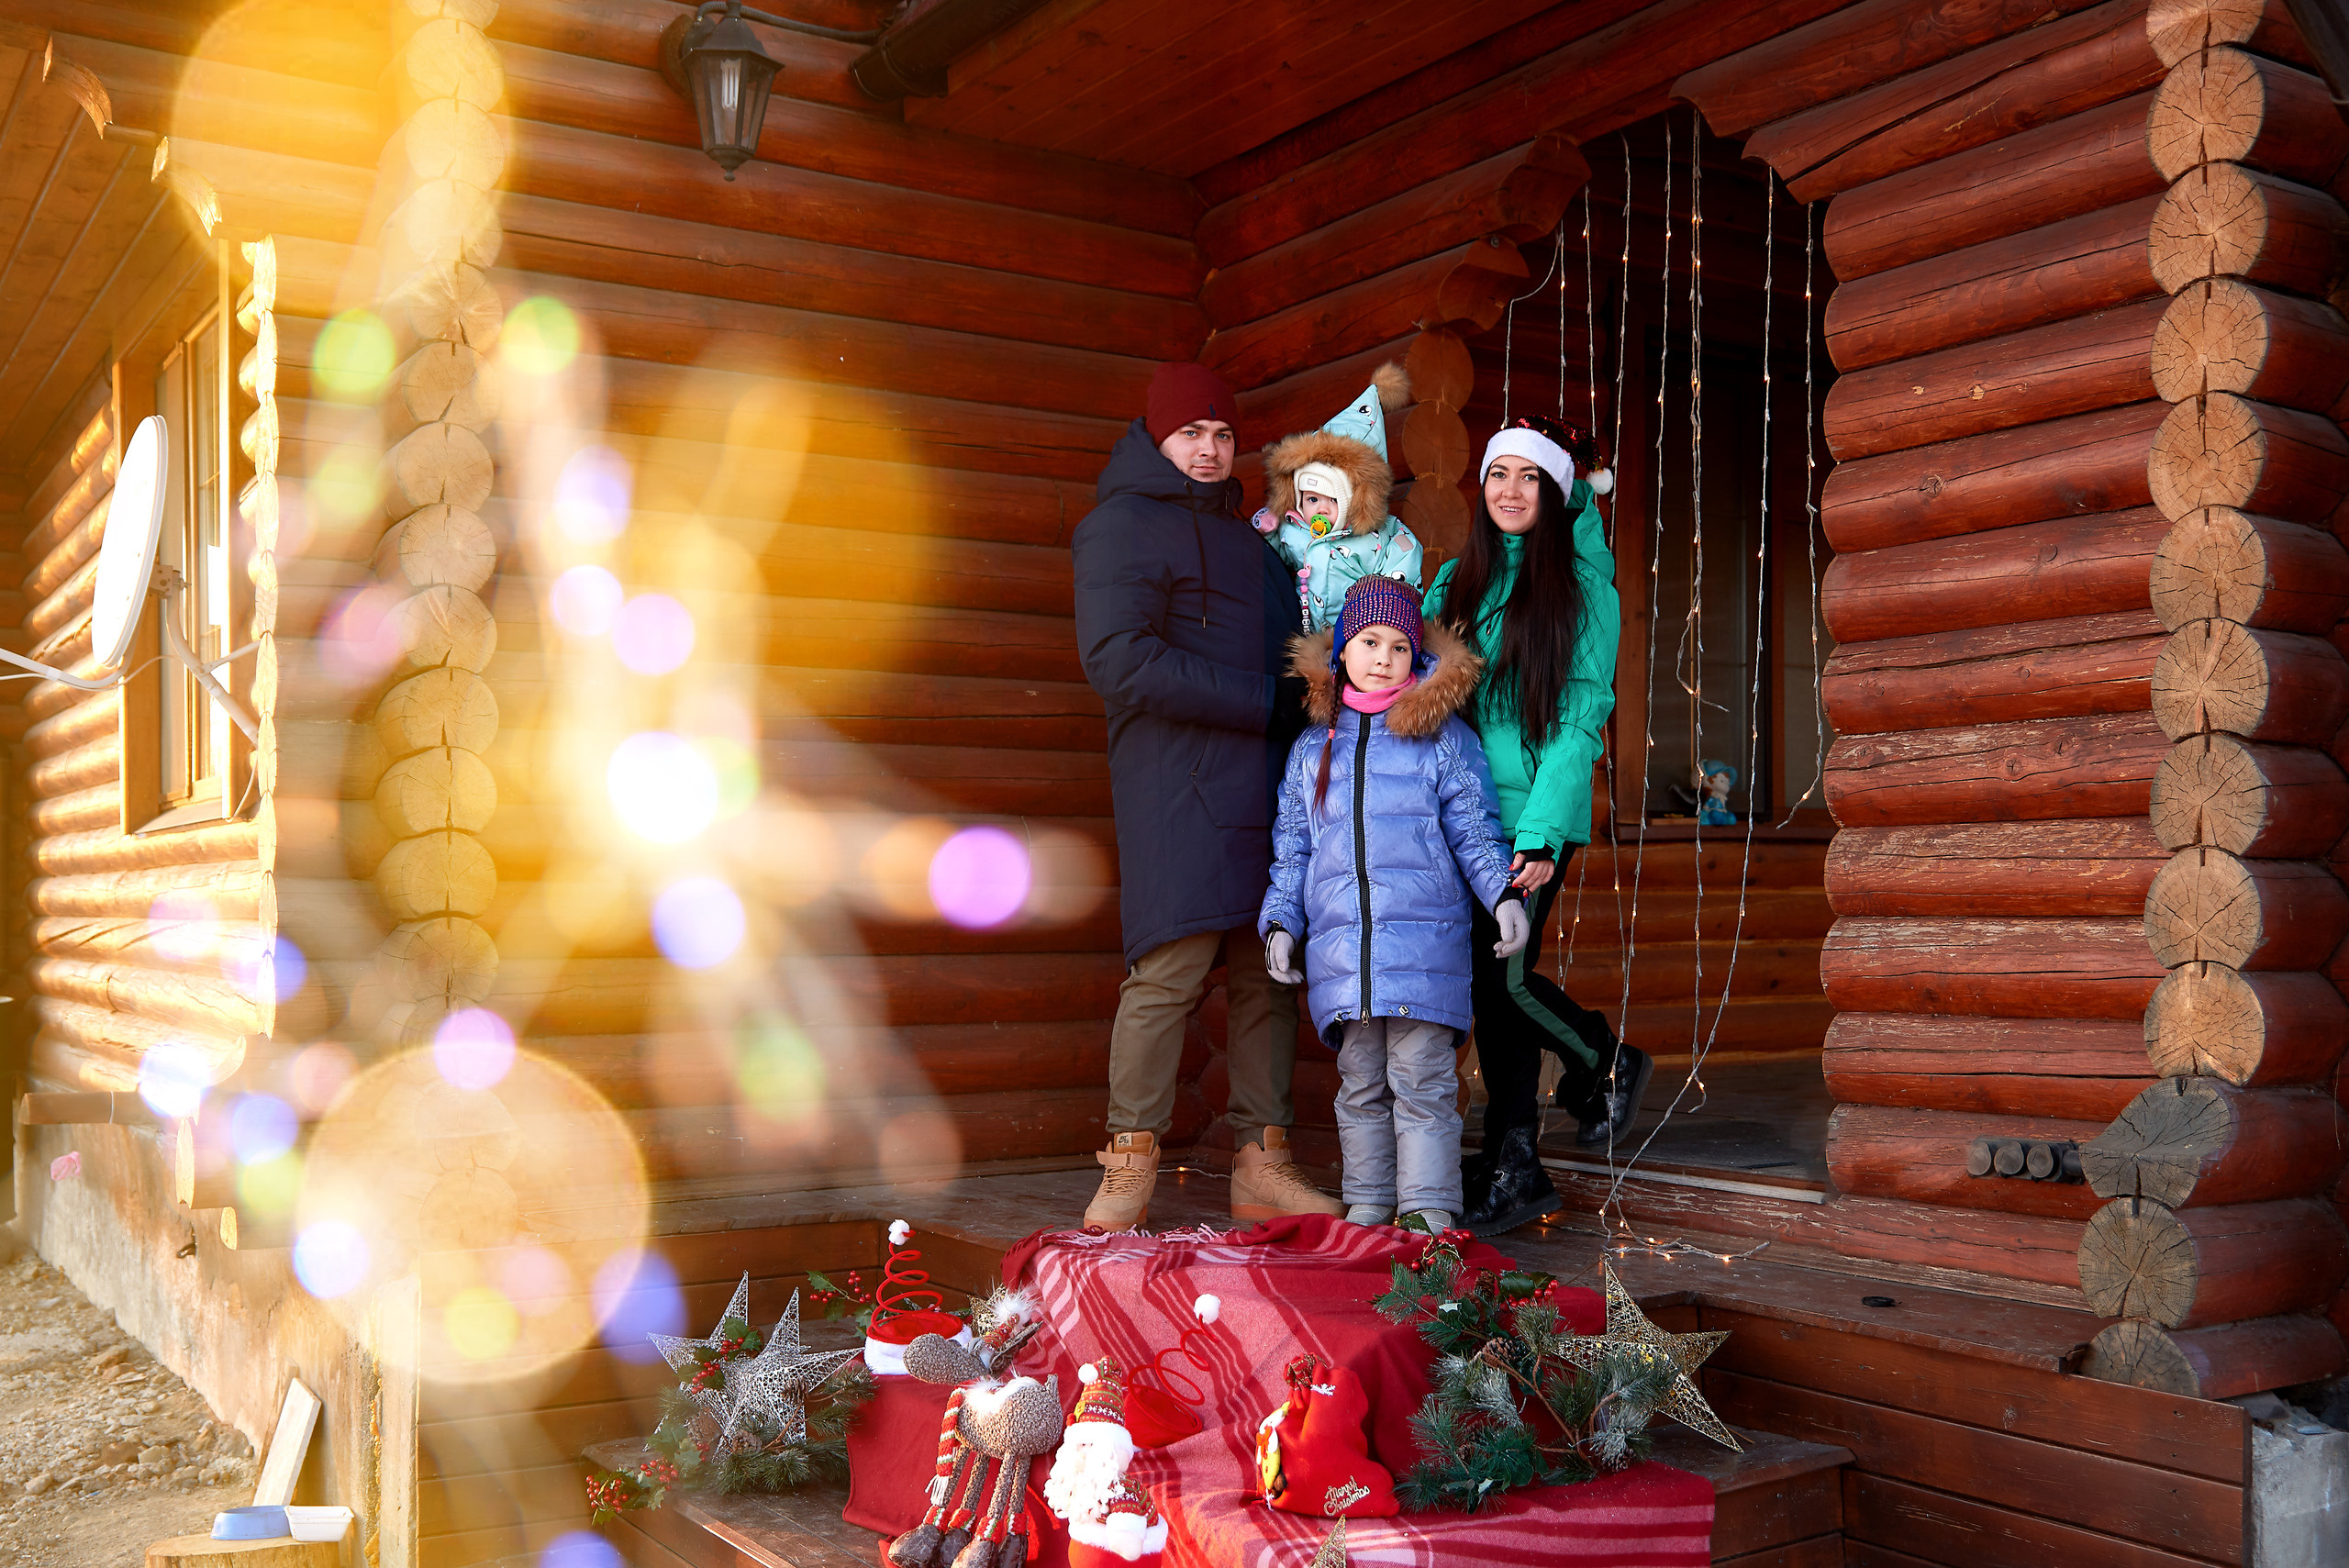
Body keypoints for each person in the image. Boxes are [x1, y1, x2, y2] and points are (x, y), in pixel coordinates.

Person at [1071, 361, 1344, 1231]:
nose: (1209, 449)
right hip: (1175, 786)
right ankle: (1129, 1160)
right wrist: (1261, 701)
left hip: (1265, 784)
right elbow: (1120, 660)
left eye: (1223, 435)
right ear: (1157, 436)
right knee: (1169, 969)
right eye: (1191, 432)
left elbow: (1290, 660)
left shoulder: (1253, 546)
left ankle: (1262, 1164)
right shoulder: (1117, 527)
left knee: (1267, 972)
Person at [1424, 413, 1644, 1238]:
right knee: (1487, 988)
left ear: (1557, 492)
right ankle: (1518, 1149)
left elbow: (1578, 723)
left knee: (1506, 984)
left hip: (1528, 820)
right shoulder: (1458, 581)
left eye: (1530, 477)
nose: (1511, 491)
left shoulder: (1584, 591)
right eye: (1498, 475)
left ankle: (1591, 1068)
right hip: (1461, 815)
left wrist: (1542, 838)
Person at [1258, 577, 1528, 1234]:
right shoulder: (1312, 748)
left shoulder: (1441, 738)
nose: (1384, 658)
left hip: (1424, 950)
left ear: (1417, 656)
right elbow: (1294, 849)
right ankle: (1370, 1205)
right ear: (1341, 652)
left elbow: (1475, 829)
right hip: (1344, 955)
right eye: (1370, 642)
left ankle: (1429, 1210)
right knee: (1360, 1085)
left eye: (1400, 646)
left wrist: (1504, 895)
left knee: (1422, 1080)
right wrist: (1282, 923)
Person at [1251, 364, 1423, 633]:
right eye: (1312, 500)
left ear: (1357, 500)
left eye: (1332, 500)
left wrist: (1384, 613)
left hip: (1360, 635)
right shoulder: (1294, 529)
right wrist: (1269, 532)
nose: (1321, 509)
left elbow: (1403, 566)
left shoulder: (1381, 536)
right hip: (1305, 633)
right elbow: (1276, 559)